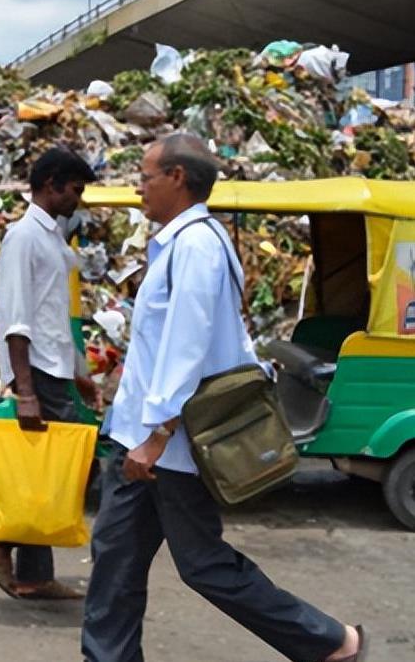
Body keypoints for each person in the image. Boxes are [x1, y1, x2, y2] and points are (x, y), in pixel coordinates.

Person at [82, 134, 363, 662]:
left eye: (145, 177)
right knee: (116, 556)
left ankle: (329, 641)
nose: (139, 188)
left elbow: (186, 347)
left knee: (203, 564)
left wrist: (158, 435)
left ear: (177, 178)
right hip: (138, 438)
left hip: (170, 447)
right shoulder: (178, 244)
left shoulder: (197, 247)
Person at [0, 147, 99, 600]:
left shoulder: (51, 237)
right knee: (66, 470)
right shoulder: (24, 237)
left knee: (47, 468)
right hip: (38, 371)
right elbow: (17, 319)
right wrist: (25, 391)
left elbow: (53, 314)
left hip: (53, 367)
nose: (77, 199)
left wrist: (78, 372)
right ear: (50, 185)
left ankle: (33, 575)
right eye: (74, 189)